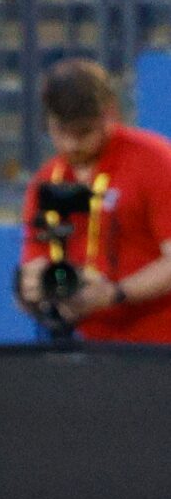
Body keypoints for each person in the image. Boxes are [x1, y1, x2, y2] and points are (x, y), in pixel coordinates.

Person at [16, 57, 171, 343]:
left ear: (108, 113)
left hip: (159, 344)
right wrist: (32, 289)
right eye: (62, 132)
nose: (72, 144)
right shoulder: (48, 180)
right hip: (87, 346)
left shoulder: (155, 161)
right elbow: (34, 264)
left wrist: (115, 293)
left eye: (84, 132)